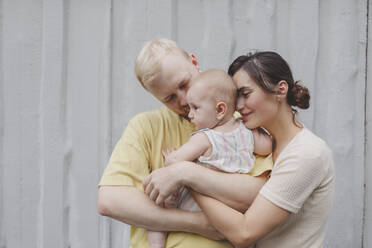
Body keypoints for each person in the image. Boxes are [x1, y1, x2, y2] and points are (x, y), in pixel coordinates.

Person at [143, 51, 335, 247]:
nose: (238, 105)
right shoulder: (259, 144)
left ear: (280, 90)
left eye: (245, 94)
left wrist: (186, 174)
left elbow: (244, 233)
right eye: (236, 96)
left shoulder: (307, 154)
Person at [97, 39, 273, 248]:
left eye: (184, 84)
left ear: (194, 62)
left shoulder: (237, 121)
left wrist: (186, 173)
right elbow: (109, 200)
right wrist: (197, 223)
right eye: (169, 97)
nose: (183, 100)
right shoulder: (145, 127)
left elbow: (261, 195)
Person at [145, 69, 273, 248]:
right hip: (230, 209)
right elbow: (269, 146)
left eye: (195, 108)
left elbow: (176, 163)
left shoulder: (204, 137)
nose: (190, 115)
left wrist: (170, 157)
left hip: (195, 204)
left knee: (157, 204)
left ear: (220, 109)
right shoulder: (248, 133)